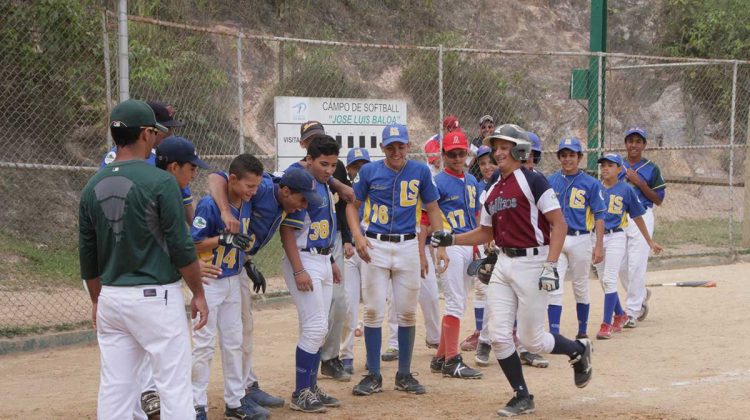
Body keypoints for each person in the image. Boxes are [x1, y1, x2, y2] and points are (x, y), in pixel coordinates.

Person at [431, 124, 593, 417]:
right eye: (496, 147)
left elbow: (559, 224)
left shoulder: (535, 181)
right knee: (499, 335)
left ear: (520, 150)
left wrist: (550, 265)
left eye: (504, 147)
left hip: (534, 261)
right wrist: (451, 238)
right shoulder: (491, 189)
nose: (498, 152)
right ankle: (522, 395)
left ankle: (578, 350)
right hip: (504, 262)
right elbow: (484, 232)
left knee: (534, 340)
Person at [79, 99, 208, 419]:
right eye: (154, 131)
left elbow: (88, 257)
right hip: (155, 300)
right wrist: (199, 293)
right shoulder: (161, 181)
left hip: (111, 298)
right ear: (147, 134)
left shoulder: (91, 186)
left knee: (116, 390)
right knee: (175, 388)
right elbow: (181, 247)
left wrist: (98, 300)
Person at [207, 166, 320, 417]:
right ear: (286, 191)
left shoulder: (282, 196)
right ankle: (236, 395)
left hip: (238, 261)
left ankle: (247, 385)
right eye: (301, 200)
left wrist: (248, 262)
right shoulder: (264, 189)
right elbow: (216, 177)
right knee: (228, 336)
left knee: (245, 328)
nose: (303, 207)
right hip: (218, 265)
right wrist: (225, 211)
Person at [348, 123, 446, 397]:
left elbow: (433, 207)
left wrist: (439, 243)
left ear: (407, 146)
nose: (396, 151)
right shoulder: (369, 171)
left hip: (407, 245)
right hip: (376, 244)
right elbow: (352, 206)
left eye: (400, 146)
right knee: (372, 311)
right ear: (382, 148)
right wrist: (357, 235)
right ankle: (374, 374)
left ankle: (404, 373)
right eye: (390, 147)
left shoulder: (420, 170)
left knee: (406, 312)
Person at [190, 154, 264, 420]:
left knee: (234, 342)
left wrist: (247, 263)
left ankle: (235, 403)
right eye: (249, 186)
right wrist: (223, 238)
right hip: (210, 281)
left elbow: (238, 243)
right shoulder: (210, 206)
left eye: (256, 187)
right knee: (204, 345)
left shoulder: (244, 203)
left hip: (233, 278)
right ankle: (196, 404)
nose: (253, 192)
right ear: (232, 180)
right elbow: (192, 244)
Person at [280, 135, 342, 413]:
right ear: (309, 160)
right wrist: (299, 270)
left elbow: (324, 227)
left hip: (321, 258)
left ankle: (311, 386)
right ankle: (301, 391)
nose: (328, 170)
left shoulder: (325, 185)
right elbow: (287, 231)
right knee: (315, 327)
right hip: (303, 260)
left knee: (320, 328)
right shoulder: (303, 184)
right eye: (323, 164)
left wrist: (330, 260)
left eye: (333, 164)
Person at [427, 130, 483, 379]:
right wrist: (435, 247)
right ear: (443, 154)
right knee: (455, 302)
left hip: (469, 242)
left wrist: (482, 244)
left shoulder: (472, 181)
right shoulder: (437, 182)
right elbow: (428, 219)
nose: (458, 157)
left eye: (461, 153)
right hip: (448, 244)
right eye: (452, 154)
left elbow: (478, 214)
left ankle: (440, 356)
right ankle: (452, 360)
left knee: (460, 301)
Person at [596, 153, 663, 339]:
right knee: (604, 281)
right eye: (603, 165)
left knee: (610, 279)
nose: (606, 169)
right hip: (598, 238)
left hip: (617, 236)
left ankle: (606, 324)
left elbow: (637, 217)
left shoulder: (626, 190)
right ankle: (621, 315)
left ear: (620, 169)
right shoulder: (595, 188)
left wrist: (649, 241)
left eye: (611, 165)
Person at [546, 137, 606, 339]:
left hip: (581, 238)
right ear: (559, 157)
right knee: (553, 286)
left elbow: (599, 215)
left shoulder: (591, 183)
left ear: (579, 157)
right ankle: (554, 333)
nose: (568, 159)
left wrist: (599, 245)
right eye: (564, 155)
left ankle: (582, 331)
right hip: (556, 238)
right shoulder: (551, 181)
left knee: (580, 285)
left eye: (572, 155)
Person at [618, 127, 666, 327]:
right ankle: (642, 294)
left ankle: (632, 311)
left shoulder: (651, 168)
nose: (634, 145)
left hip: (642, 215)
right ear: (626, 144)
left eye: (638, 141)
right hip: (620, 216)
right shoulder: (615, 164)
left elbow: (659, 199)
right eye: (630, 141)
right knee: (620, 266)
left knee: (636, 264)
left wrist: (640, 183)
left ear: (644, 145)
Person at [340, 148, 371, 375]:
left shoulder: (376, 188)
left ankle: (372, 356)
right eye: (355, 166)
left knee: (373, 305)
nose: (359, 170)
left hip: (371, 250)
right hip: (350, 252)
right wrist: (345, 240)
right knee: (349, 305)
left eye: (363, 166)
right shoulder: (342, 192)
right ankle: (346, 355)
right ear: (348, 170)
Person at [462, 145, 495, 356]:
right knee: (481, 287)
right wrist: (481, 241)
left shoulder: (504, 183)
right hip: (484, 241)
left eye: (490, 162)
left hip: (504, 242)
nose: (486, 167)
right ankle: (479, 330)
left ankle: (511, 329)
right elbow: (476, 216)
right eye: (482, 163)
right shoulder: (477, 186)